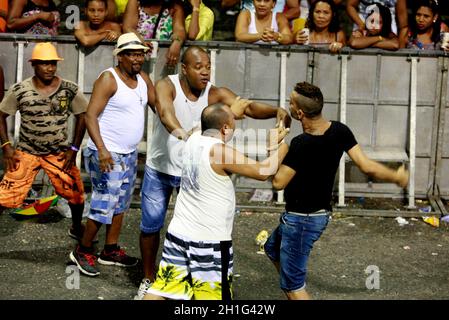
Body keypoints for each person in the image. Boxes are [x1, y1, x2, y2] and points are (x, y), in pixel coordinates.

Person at [135, 45, 291, 299]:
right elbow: (265, 171)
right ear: (184, 69)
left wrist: (276, 111)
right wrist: (283, 145)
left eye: (208, 66)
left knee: (165, 289)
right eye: (199, 67)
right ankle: (146, 275)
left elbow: (248, 107)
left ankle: (155, 285)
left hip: (181, 225)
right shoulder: (212, 145)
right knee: (151, 226)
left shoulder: (199, 133)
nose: (205, 71)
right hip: (198, 223)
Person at [265, 82, 409, 300]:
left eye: (291, 103)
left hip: (301, 220)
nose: (289, 105)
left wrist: (275, 146)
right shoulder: (340, 130)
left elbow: (277, 183)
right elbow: (366, 166)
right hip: (318, 215)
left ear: (300, 113)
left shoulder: (300, 144)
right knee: (272, 248)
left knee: (293, 286)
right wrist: (396, 176)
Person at [69, 33, 156, 277]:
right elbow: (90, 115)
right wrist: (103, 150)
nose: (138, 58)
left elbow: (159, 106)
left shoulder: (143, 80)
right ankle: (83, 250)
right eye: (132, 54)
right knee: (104, 202)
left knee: (121, 203)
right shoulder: (109, 78)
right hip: (107, 152)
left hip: (128, 154)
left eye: (140, 53)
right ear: (120, 56)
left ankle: (110, 249)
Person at [0, 42, 87, 240]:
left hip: (58, 153)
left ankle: (76, 227)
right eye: (44, 64)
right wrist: (6, 146)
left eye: (53, 64)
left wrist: (74, 148)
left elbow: (83, 115)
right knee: (4, 196)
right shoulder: (20, 90)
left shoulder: (68, 89)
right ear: (34, 65)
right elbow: (1, 115)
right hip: (26, 152)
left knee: (76, 193)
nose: (49, 68)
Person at [122, 0, 186, 67]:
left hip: (163, 62)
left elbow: (180, 30)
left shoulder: (174, 7)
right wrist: (141, 41)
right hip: (138, 60)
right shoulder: (135, 3)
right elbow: (128, 28)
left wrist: (177, 43)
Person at [222, 0, 300, 23]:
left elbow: (296, 11)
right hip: (247, 26)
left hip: (274, 29)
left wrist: (273, 19)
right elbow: (225, 3)